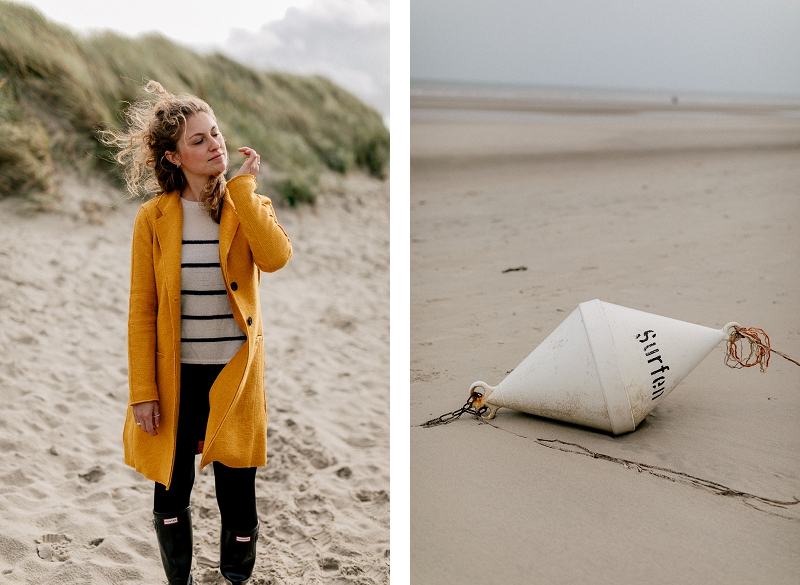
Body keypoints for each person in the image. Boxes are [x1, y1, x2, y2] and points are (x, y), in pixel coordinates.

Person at [103, 80, 292, 584]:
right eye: (199, 140)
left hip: (234, 375)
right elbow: (141, 310)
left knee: (238, 497)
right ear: (173, 156)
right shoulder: (154, 219)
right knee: (171, 492)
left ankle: (235, 578)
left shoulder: (247, 205)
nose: (215, 145)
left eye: (216, 133)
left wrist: (246, 189)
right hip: (176, 378)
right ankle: (179, 580)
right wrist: (142, 392)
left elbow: (275, 258)